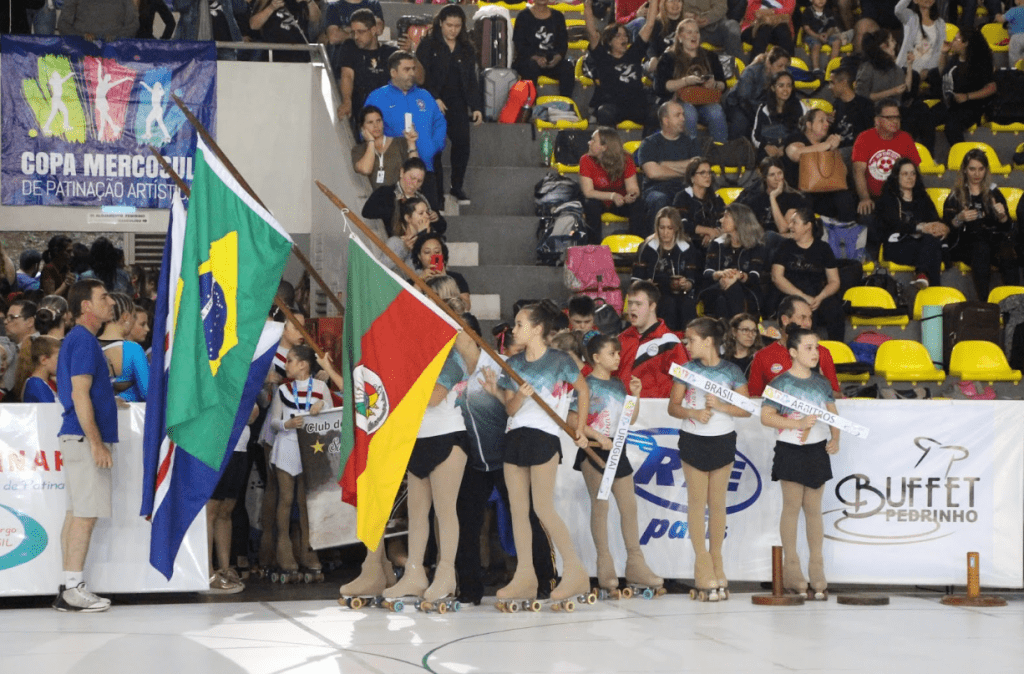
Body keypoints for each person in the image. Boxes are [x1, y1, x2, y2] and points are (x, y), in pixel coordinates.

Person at [480, 303, 591, 604]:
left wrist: (579, 427)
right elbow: (509, 409)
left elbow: (583, 389)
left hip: (544, 438)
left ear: (537, 329)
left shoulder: (559, 360)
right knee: (518, 511)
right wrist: (519, 394)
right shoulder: (513, 364)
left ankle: (575, 571)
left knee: (542, 508)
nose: (514, 330)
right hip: (515, 437)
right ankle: (525, 576)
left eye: (519, 324)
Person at [384, 277, 478, 603]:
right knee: (417, 512)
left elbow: (434, 397)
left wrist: (404, 383)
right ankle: (414, 573)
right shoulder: (417, 356)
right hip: (417, 438)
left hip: (448, 438)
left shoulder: (451, 359)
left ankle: (446, 574)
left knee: (445, 511)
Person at [452, 319, 555, 605]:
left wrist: (497, 393)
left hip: (507, 457)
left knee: (525, 517)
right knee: (465, 522)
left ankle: (544, 578)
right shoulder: (450, 369)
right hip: (475, 461)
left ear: (472, 337)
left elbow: (518, 410)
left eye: (457, 334)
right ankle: (469, 588)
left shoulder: (500, 364)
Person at [570, 334, 663, 595]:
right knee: (601, 506)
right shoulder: (585, 385)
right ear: (596, 358)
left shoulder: (618, 385)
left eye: (618, 354)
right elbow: (572, 418)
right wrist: (597, 436)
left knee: (629, 507)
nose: (618, 358)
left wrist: (635, 395)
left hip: (617, 449)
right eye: (613, 353)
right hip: (594, 451)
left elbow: (629, 420)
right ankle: (605, 566)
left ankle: (635, 564)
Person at [668, 316, 751, 599]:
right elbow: (673, 406)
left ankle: (717, 560)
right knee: (696, 502)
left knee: (717, 504)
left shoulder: (732, 371)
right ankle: (701, 562)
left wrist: (723, 406)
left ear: (708, 341)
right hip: (693, 439)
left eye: (691, 339)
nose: (687, 344)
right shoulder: (685, 370)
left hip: (723, 439)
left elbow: (746, 408)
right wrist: (693, 413)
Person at [759, 327, 840, 600]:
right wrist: (797, 423)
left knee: (814, 509)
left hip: (816, 449)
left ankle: (817, 568)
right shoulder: (779, 384)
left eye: (816, 347)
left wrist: (836, 437)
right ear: (793, 352)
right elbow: (767, 417)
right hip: (791, 448)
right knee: (792, 507)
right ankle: (792, 569)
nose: (815, 353)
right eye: (808, 347)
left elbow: (833, 415)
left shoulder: (822, 383)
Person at [53, 279, 117, 613]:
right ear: (85, 307)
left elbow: (86, 391)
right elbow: (79, 393)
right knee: (85, 515)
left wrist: (110, 400)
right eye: (103, 297)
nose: (111, 302)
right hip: (83, 436)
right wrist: (97, 443)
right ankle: (73, 588)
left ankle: (68, 587)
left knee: (77, 513)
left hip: (77, 434)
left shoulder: (80, 341)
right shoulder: (83, 341)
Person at [268, 345, 332, 579]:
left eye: (290, 361)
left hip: (310, 448)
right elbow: (274, 421)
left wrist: (322, 405)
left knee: (306, 501)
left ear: (303, 364)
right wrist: (287, 424)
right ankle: (283, 550)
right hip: (286, 444)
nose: (286, 365)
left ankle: (308, 551)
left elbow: (331, 414)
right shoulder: (283, 390)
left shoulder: (321, 387)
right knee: (286, 498)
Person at [416, 6, 484, 206]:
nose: (453, 30)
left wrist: (476, 106)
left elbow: (472, 79)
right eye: (449, 25)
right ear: (440, 24)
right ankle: (436, 192)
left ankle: (457, 186)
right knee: (435, 147)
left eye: (457, 26)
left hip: (458, 103)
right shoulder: (428, 44)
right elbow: (421, 76)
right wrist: (434, 97)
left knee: (462, 143)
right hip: (432, 102)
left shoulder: (467, 47)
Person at [364, 52, 448, 211]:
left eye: (413, 69)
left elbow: (439, 122)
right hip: (394, 172)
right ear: (393, 72)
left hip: (425, 169)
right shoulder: (377, 97)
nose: (412, 73)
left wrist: (434, 146)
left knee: (430, 218)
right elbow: (365, 128)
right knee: (397, 219)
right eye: (406, 69)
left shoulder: (425, 96)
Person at [943, 148, 1019, 300]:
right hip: (966, 243)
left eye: (980, 169)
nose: (977, 174)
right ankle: (984, 303)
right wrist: (960, 218)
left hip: (992, 240)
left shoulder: (994, 193)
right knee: (981, 248)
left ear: (986, 170)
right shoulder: (955, 195)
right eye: (972, 169)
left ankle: (1017, 305)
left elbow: (1007, 227)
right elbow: (946, 229)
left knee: (1008, 252)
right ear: (965, 170)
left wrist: (1002, 217)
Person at [204, 404, 258, 594]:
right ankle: (207, 571)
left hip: (240, 447)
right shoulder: (213, 376)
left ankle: (225, 569)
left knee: (226, 510)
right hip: (216, 445)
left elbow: (253, 412)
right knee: (210, 511)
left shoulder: (239, 377)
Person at [583, 0, 659, 129]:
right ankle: (610, 148)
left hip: (636, 104)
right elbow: (592, 33)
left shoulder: (634, 53)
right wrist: (587, 6)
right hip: (613, 105)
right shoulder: (603, 57)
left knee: (655, 113)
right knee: (604, 112)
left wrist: (653, 2)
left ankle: (648, 147)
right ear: (609, 41)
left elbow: (649, 25)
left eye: (625, 36)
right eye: (618, 36)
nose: (623, 39)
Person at [771, 208, 845, 341]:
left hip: (817, 295)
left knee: (835, 309)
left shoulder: (823, 248)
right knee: (799, 309)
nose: (790, 226)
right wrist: (803, 297)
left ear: (807, 226)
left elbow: (834, 281)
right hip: (790, 293)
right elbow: (777, 277)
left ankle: (837, 350)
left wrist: (821, 297)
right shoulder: (785, 246)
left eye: (794, 223)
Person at [856, 29, 935, 152]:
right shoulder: (868, 67)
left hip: (897, 109)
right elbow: (862, 96)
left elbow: (906, 88)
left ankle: (928, 155)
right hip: (876, 112)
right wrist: (891, 92)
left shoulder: (895, 68)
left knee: (922, 109)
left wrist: (909, 66)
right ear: (883, 46)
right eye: (892, 40)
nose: (895, 43)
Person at [747, 294, 841, 396]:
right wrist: (775, 388)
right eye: (803, 318)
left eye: (810, 318)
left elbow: (838, 396)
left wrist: (822, 386)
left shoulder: (822, 352)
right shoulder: (763, 356)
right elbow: (753, 398)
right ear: (785, 320)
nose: (808, 323)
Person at [876, 157, 948, 289]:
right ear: (896, 176)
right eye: (905, 174)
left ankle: (922, 275)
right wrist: (921, 227)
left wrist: (941, 227)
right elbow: (895, 225)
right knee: (933, 249)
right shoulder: (888, 198)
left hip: (922, 245)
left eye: (913, 173)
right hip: (897, 245)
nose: (910, 177)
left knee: (932, 244)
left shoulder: (922, 197)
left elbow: (934, 218)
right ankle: (934, 297)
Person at [654, 18, 728, 143]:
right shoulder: (668, 57)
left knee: (716, 112)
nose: (694, 36)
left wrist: (714, 84)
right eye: (689, 32)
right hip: (679, 101)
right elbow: (660, 86)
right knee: (689, 113)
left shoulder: (710, 56)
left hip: (705, 100)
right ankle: (691, 155)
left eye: (697, 32)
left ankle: (720, 152)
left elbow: (723, 84)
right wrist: (686, 81)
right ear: (679, 37)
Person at [614, 280, 691, 397]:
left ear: (652, 306)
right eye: (630, 303)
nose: (632, 309)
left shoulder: (669, 343)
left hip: (655, 410)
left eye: (638, 304)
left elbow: (684, 381)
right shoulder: (621, 339)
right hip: (626, 408)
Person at [851, 99, 922, 224]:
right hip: (874, 198)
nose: (895, 121)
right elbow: (858, 171)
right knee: (867, 219)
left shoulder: (905, 138)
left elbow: (915, 170)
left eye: (897, 117)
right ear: (877, 120)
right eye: (889, 117)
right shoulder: (864, 138)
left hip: (899, 197)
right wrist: (865, 198)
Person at [631, 206, 701, 331]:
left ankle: (688, 340)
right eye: (662, 227)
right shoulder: (647, 247)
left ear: (676, 228)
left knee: (688, 304)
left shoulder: (687, 247)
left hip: (680, 294)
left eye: (670, 228)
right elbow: (635, 281)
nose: (665, 232)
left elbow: (691, 280)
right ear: (657, 227)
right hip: (654, 295)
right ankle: (667, 341)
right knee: (668, 303)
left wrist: (686, 284)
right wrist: (645, 284)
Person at [784, 108, 857, 222]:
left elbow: (843, 172)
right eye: (821, 121)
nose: (826, 124)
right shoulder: (796, 138)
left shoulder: (827, 145)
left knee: (845, 197)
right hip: (801, 193)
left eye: (827, 121)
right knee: (804, 200)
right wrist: (826, 145)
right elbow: (796, 154)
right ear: (809, 124)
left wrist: (833, 150)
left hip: (826, 193)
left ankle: (847, 234)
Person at [637, 100, 701, 228]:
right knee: (660, 200)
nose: (683, 119)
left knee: (698, 198)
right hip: (656, 190)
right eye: (678, 115)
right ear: (666, 120)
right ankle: (656, 244)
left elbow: (698, 169)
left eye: (683, 115)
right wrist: (686, 169)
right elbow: (653, 173)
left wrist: (663, 165)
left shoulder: (692, 142)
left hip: (685, 189)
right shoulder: (649, 143)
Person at [699, 203, 768, 319]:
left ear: (739, 220)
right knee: (722, 295)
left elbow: (754, 276)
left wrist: (738, 276)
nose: (721, 220)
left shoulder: (756, 246)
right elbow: (707, 272)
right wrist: (721, 274)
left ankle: (728, 330)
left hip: (746, 291)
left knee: (729, 293)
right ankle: (736, 329)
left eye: (726, 216)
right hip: (717, 287)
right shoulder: (717, 244)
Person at [579, 127, 641, 243]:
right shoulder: (585, 160)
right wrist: (612, 196)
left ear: (604, 147)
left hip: (621, 201)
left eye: (593, 140)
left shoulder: (626, 159)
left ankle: (636, 246)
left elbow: (633, 188)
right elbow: (588, 192)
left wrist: (631, 195)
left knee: (638, 204)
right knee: (590, 204)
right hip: (599, 200)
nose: (589, 142)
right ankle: (594, 248)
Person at [936, 28, 996, 146]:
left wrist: (967, 96)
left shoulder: (980, 63)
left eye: (956, 39)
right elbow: (943, 74)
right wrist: (943, 53)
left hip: (969, 107)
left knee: (952, 127)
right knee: (924, 117)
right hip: (949, 104)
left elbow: (992, 87)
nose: (952, 41)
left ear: (966, 43)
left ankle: (962, 157)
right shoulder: (954, 59)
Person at [335, 10, 398, 120]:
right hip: (360, 110)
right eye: (353, 32)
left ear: (373, 30)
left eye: (360, 32)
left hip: (388, 112)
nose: (356, 37)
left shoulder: (390, 53)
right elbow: (347, 75)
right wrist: (346, 101)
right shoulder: (349, 47)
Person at [361, 157, 446, 236]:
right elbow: (366, 212)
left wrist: (436, 218)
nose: (415, 184)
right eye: (412, 178)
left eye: (419, 181)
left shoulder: (423, 197)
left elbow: (442, 227)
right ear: (402, 172)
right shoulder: (386, 192)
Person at [723, 46, 791, 141]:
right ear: (769, 64)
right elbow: (743, 100)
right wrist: (758, 118)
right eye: (780, 66)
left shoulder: (781, 77)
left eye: (785, 67)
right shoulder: (751, 72)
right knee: (741, 123)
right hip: (737, 105)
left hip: (758, 108)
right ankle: (733, 150)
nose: (784, 70)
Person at [512, 0, 575, 98]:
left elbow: (562, 44)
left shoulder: (558, 17)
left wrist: (558, 57)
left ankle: (565, 105)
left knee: (567, 68)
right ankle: (531, 107)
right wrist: (536, 58)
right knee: (530, 68)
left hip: (550, 60)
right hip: (529, 60)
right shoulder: (523, 17)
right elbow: (519, 44)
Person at [736, 157, 808, 242]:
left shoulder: (794, 198)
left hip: (782, 244)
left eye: (780, 173)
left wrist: (773, 198)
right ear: (764, 177)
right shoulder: (754, 197)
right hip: (757, 241)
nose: (777, 178)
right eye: (772, 175)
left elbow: (783, 229)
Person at [351, 105, 416, 192]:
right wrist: (371, 142)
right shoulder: (358, 150)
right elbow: (366, 169)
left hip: (402, 197)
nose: (376, 126)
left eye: (378, 121)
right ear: (362, 128)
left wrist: (411, 143)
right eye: (370, 122)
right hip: (376, 200)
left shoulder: (400, 142)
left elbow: (415, 169)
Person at [97, 293, 148, 402]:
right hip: (129, 416)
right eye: (134, 316)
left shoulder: (89, 345)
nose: (134, 321)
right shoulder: (133, 349)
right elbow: (147, 393)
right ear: (125, 317)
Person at [672, 157, 726, 256]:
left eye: (709, 173)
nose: (707, 176)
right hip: (689, 243)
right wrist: (709, 231)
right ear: (692, 178)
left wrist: (714, 234)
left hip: (713, 242)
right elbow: (681, 224)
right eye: (702, 173)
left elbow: (725, 222)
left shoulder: (717, 199)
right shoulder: (682, 197)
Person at [751, 71, 808, 161]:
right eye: (781, 86)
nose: (785, 90)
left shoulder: (800, 106)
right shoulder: (764, 108)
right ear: (773, 88)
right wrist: (765, 146)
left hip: (793, 152)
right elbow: (755, 136)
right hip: (769, 152)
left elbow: (807, 133)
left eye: (789, 86)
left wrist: (786, 147)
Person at [411, 231, 471, 311]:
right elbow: (409, 307)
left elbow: (466, 307)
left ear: (442, 254)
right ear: (419, 256)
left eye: (437, 252)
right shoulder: (412, 281)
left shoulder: (456, 277)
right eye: (427, 252)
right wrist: (419, 282)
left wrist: (445, 280)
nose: (432, 255)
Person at [896, 0, 946, 95]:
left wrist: (926, 69)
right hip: (908, 65)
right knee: (913, 75)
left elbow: (938, 52)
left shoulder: (940, 23)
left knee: (937, 76)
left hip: (930, 67)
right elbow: (898, 9)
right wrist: (918, 69)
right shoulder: (910, 17)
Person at [827, 67, 875, 164]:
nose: (829, 87)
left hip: (859, 152)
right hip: (838, 150)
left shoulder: (865, 105)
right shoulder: (837, 104)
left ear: (843, 83)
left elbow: (871, 134)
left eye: (832, 83)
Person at [249, 0, 319, 63]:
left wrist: (309, 2)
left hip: (300, 55)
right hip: (274, 55)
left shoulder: (301, 3)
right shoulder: (266, 2)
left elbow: (316, 20)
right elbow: (253, 25)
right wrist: (271, 8)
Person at [383, 197, 434, 273]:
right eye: (421, 213)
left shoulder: (432, 240)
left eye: (427, 212)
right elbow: (382, 268)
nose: (426, 216)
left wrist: (426, 238)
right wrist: (405, 249)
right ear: (408, 218)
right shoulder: (396, 242)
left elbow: (438, 270)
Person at [57, 0, 139, 39]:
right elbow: (63, 24)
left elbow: (133, 24)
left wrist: (117, 37)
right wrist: (81, 36)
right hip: (81, 51)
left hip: (115, 51)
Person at [801, 0, 843, 74]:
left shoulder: (828, 11)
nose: (821, 0)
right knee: (816, 45)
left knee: (837, 42)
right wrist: (817, 36)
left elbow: (831, 27)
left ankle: (830, 66)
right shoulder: (808, 11)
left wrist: (827, 34)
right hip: (812, 35)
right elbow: (807, 28)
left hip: (826, 35)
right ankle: (816, 68)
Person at [15, 335, 60, 403]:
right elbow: (52, 410)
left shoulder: (43, 383)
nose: (63, 363)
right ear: (44, 360)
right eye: (58, 358)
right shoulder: (36, 383)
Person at [998, 0, 1024, 69]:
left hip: (1016, 38)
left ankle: (1014, 73)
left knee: (1014, 59)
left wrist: (997, 16)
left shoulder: (1013, 10)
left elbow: (1001, 20)